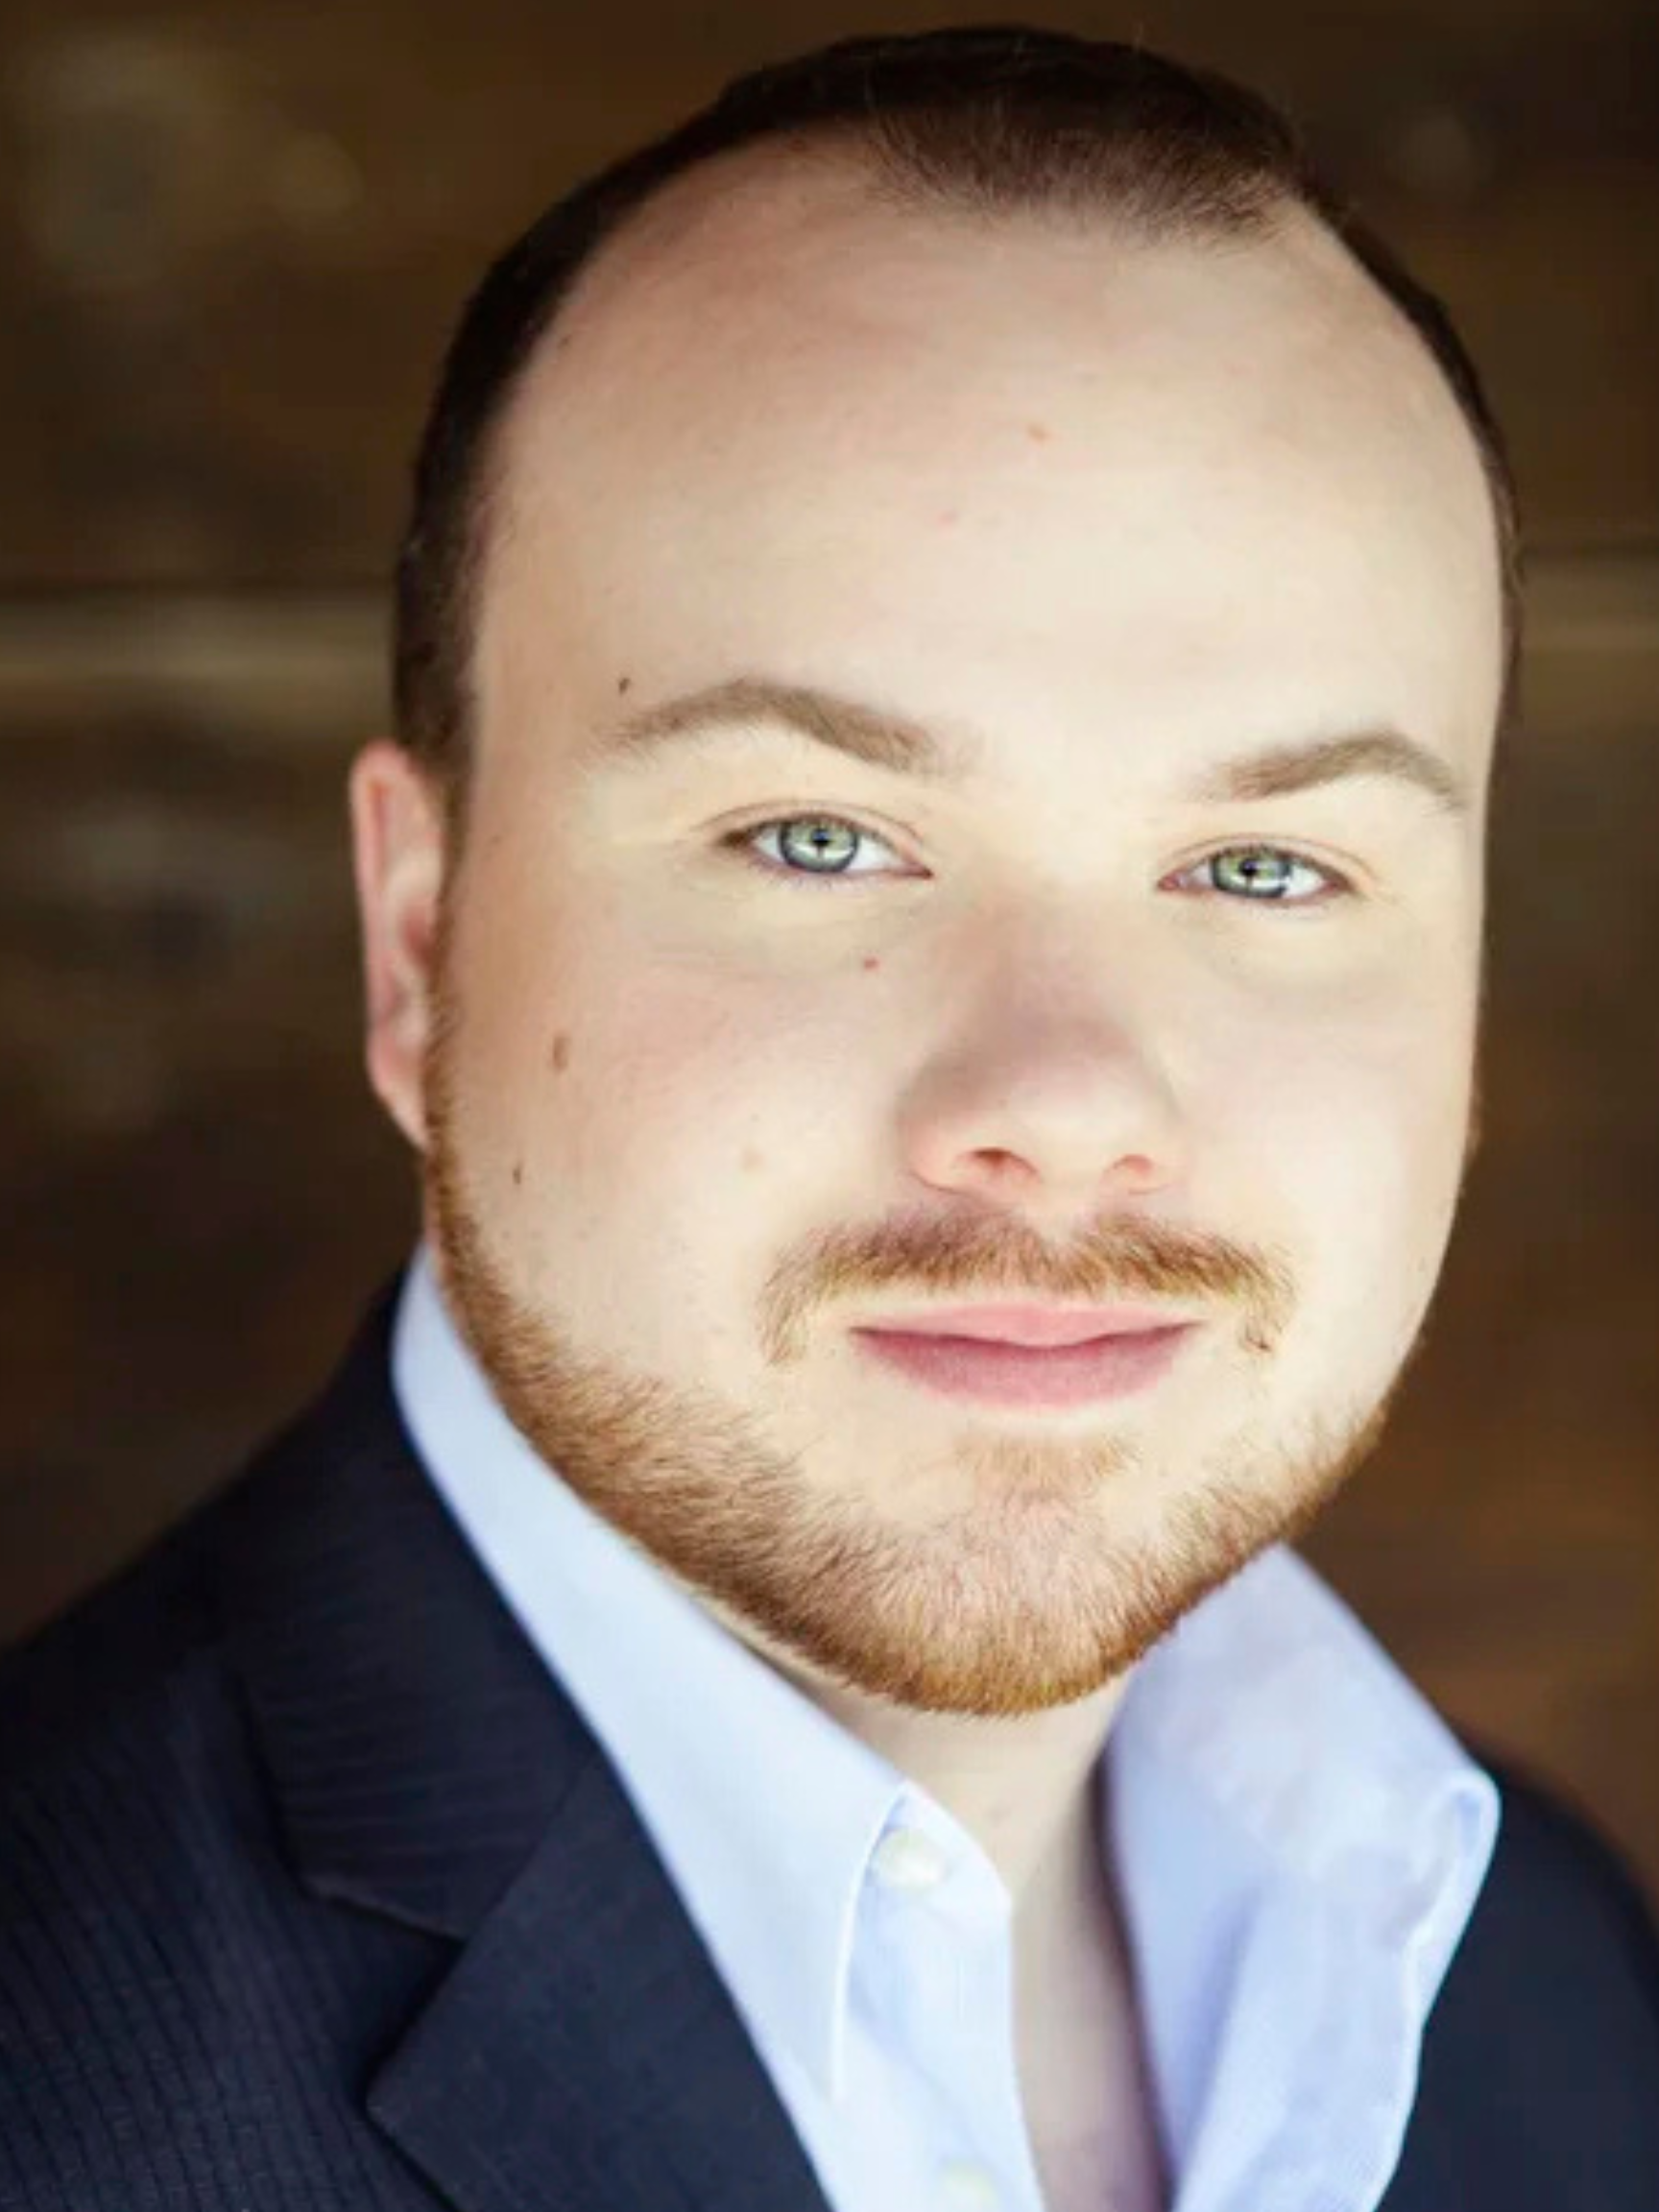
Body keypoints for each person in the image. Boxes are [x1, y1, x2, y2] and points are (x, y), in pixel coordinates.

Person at [2, 24, 1656, 2212]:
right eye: (815, 837)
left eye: (1269, 867)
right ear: (418, 943)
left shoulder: (1544, 1977)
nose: (1064, 1110)